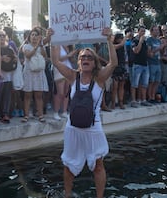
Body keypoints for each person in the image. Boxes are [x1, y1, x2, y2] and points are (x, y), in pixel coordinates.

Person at [50, 27, 117, 198]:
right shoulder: (73, 76)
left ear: (94, 62)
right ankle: (67, 194)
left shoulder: (100, 78)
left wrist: (109, 39)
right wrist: (53, 40)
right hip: (72, 129)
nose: (85, 59)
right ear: (79, 61)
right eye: (82, 57)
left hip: (93, 129)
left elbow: (113, 63)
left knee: (98, 165)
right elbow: (56, 61)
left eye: (89, 57)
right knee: (68, 165)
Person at [21, 27, 49, 123]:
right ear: (29, 37)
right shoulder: (26, 46)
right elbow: (28, 55)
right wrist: (36, 46)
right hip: (29, 72)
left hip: (39, 73)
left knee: (39, 95)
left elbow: (45, 56)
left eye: (36, 35)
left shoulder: (41, 46)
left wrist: (40, 45)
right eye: (32, 35)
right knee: (27, 95)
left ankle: (40, 115)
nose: (34, 37)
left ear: (39, 37)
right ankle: (26, 115)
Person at [0, 29, 18, 123]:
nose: (2, 37)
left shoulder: (10, 47)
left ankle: (5, 114)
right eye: (0, 35)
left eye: (3, 35)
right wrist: (1, 58)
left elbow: (16, 58)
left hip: (8, 75)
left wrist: (14, 59)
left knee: (7, 96)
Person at [52, 45, 77, 120]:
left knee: (66, 92)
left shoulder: (70, 46)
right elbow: (57, 59)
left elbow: (73, 61)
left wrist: (72, 55)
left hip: (69, 68)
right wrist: (68, 55)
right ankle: (56, 112)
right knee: (60, 92)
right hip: (59, 69)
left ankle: (64, 111)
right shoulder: (58, 45)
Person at [130, 26, 151, 107]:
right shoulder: (134, 41)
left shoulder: (145, 41)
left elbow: (148, 53)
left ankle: (143, 100)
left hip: (145, 64)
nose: (143, 33)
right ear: (138, 32)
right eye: (141, 31)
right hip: (137, 64)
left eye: (144, 31)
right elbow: (136, 51)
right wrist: (140, 42)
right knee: (134, 83)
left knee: (144, 84)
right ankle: (133, 100)